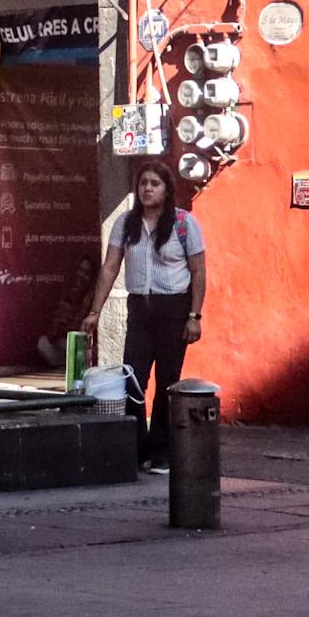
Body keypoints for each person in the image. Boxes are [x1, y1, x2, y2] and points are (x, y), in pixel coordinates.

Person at [79, 162, 208, 473]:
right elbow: (110, 267)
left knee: (167, 380)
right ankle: (137, 448)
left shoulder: (183, 224)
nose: (148, 189)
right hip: (140, 308)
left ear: (166, 190)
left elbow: (198, 271)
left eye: (155, 184)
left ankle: (162, 451)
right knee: (133, 379)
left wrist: (194, 315)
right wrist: (94, 311)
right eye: (143, 184)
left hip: (174, 309)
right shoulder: (125, 223)